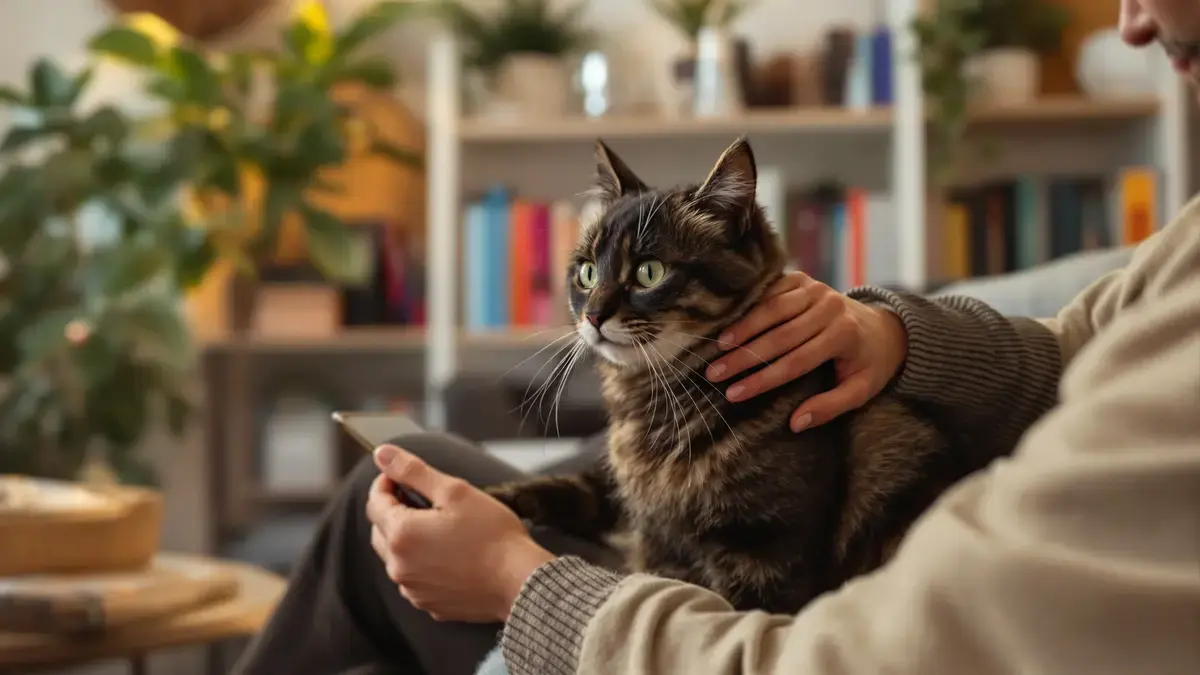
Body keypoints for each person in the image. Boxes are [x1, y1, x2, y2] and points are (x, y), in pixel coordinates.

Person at [233, 2, 1200, 674]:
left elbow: (797, 629)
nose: (1127, 22)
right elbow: (1076, 344)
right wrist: (898, 333)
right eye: (590, 280)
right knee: (406, 479)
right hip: (685, 579)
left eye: (640, 277)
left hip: (744, 622)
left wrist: (521, 583)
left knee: (386, 495)